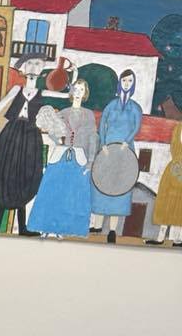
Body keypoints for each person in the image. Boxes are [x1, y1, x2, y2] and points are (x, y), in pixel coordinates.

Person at [0, 57, 50, 235]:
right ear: (23, 68)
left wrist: (73, 73)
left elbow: (68, 95)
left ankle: (22, 228)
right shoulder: (16, 89)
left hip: (31, 138)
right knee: (5, 173)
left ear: (42, 69)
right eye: (30, 63)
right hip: (11, 135)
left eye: (37, 64)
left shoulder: (43, 92)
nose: (33, 67)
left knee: (25, 176)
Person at [28, 75, 98, 239]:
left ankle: (62, 229)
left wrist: (91, 161)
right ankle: (45, 227)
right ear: (71, 91)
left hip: (79, 159)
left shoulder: (88, 114)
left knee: (71, 195)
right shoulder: (63, 113)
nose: (78, 92)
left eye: (81, 90)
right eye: (76, 89)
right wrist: (57, 139)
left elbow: (93, 138)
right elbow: (53, 131)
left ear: (85, 93)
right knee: (52, 191)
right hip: (60, 156)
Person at [91, 69, 143, 243]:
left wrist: (127, 142)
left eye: (130, 81)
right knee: (101, 183)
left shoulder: (135, 108)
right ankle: (97, 225)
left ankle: (112, 230)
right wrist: (103, 144)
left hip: (124, 151)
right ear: (120, 82)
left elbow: (136, 127)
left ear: (133, 84)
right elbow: (102, 124)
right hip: (107, 150)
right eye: (124, 80)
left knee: (120, 186)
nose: (126, 83)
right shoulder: (111, 105)